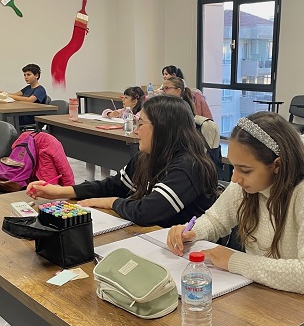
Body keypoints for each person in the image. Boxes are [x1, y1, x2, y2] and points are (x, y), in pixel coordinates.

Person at [166, 111, 304, 326]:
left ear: (277, 165)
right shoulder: (246, 185)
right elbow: (217, 218)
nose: (235, 179)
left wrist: (234, 261)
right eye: (233, 167)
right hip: (260, 304)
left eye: (245, 170)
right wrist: (192, 232)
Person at [26, 95, 219, 227]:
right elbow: (115, 185)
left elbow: (147, 212)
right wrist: (60, 192)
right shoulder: (147, 157)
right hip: (153, 238)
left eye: (141, 124)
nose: (135, 130)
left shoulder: (189, 166)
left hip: (184, 252)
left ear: (163, 129)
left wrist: (110, 202)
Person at [161, 77, 223, 176]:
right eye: (162, 89)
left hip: (185, 153)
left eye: (166, 88)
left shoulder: (179, 108)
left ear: (178, 91)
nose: (163, 92)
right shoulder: (177, 105)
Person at [88, 86, 145, 180]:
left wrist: (133, 118)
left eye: (126, 98)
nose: (123, 100)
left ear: (134, 101)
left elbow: (137, 119)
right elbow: (104, 112)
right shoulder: (122, 111)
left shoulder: (140, 112)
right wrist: (110, 114)